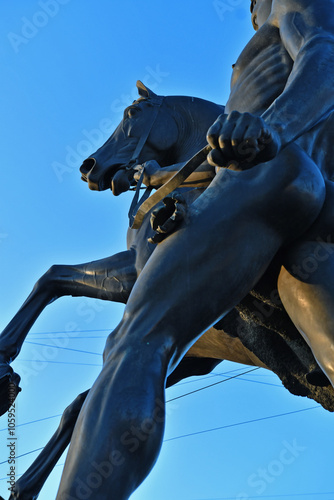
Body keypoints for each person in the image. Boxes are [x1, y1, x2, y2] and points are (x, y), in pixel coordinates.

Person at [55, 1, 334, 498]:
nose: (251, 8)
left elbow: (324, 53)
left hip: (268, 173)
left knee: (137, 341)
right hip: (302, 197)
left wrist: (272, 128)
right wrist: (155, 177)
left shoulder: (293, 5)